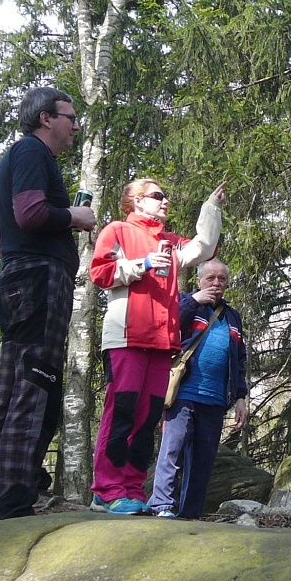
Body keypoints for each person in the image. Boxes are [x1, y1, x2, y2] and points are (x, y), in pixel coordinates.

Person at [0, 87, 97, 527]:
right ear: (46, 118)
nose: (75, 126)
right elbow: (29, 214)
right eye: (70, 117)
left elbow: (5, 234)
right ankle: (9, 506)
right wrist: (74, 217)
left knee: (13, 391)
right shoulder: (31, 152)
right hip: (39, 281)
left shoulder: (21, 157)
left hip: (23, 279)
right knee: (34, 387)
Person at [88, 178, 225, 515]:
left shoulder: (169, 241)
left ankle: (133, 489)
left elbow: (204, 248)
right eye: (157, 196)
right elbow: (100, 273)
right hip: (127, 337)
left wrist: (211, 208)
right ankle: (106, 491)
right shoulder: (118, 230)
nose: (165, 201)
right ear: (136, 201)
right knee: (121, 412)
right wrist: (144, 264)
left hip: (163, 342)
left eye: (166, 196)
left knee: (147, 418)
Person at [149, 259, 248, 518]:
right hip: (183, 393)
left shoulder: (232, 317)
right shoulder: (187, 303)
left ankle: (190, 513)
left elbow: (239, 360)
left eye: (221, 279)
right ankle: (162, 505)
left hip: (216, 399)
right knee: (172, 450)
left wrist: (240, 397)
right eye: (210, 278)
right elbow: (169, 324)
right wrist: (195, 300)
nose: (216, 283)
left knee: (203, 459)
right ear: (199, 280)